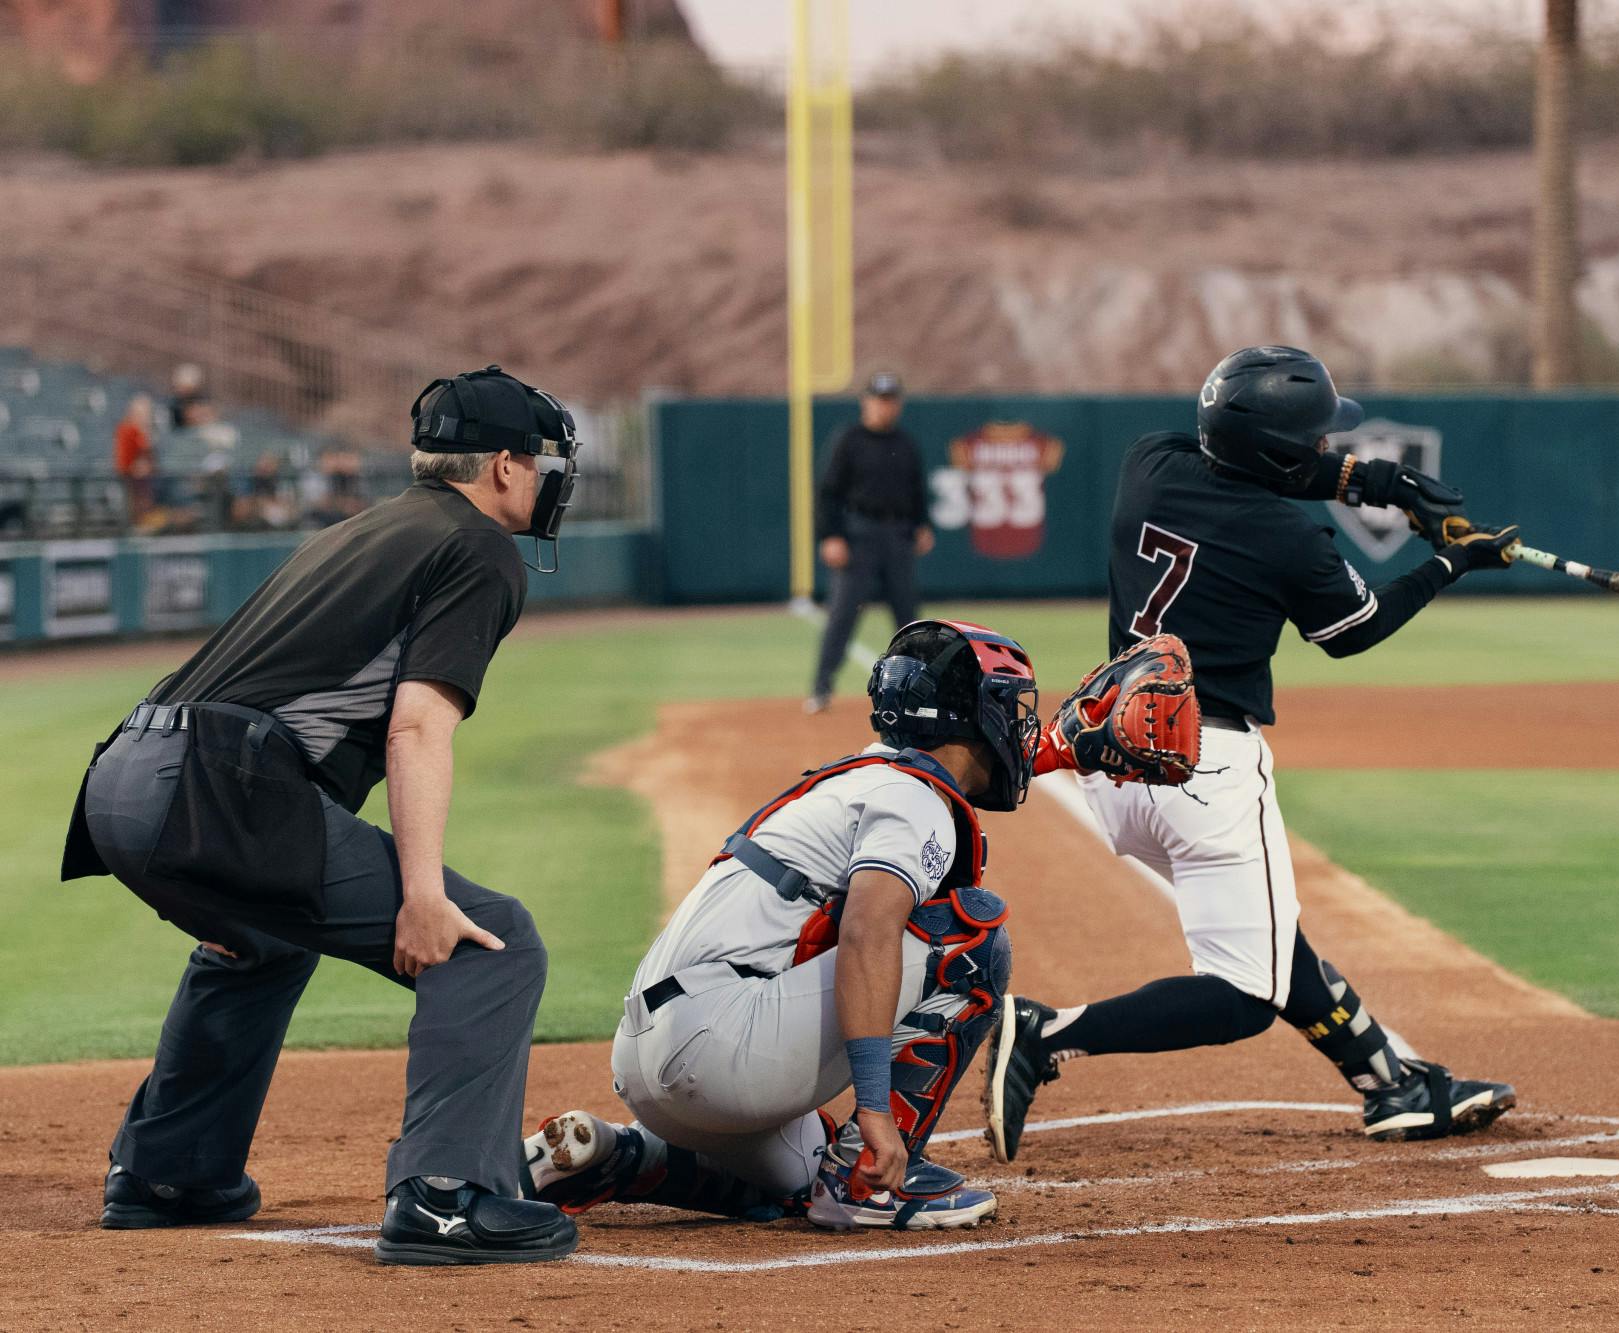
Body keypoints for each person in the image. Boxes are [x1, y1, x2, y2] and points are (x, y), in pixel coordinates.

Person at [59, 365, 583, 1265]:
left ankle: (169, 1170)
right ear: (502, 466)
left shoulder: (366, 527)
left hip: (122, 779)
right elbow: (417, 723)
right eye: (536, 464)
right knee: (492, 944)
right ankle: (446, 1195)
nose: (542, 480)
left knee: (261, 939)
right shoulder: (480, 550)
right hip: (214, 789)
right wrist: (421, 892)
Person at [984, 345, 1522, 1164]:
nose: (1319, 451)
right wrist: (1450, 561)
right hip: (1209, 771)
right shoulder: (1286, 538)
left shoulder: (1148, 464)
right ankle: (1049, 1033)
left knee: (1272, 941)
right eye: (1311, 440)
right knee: (1244, 994)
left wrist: (1366, 480)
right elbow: (1358, 628)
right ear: (1279, 451)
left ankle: (1394, 1087)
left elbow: (1266, 469)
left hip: (1115, 763)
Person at [523, 620, 1037, 1231]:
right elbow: (869, 935)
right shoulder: (916, 801)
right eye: (1009, 708)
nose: (1020, 728)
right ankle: (867, 1188)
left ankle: (624, 1155)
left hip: (651, 1064)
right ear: (972, 716)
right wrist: (872, 1110)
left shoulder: (865, 781)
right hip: (722, 1048)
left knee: (801, 1178)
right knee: (970, 940)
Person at [806, 371, 934, 714]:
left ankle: (920, 694)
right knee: (843, 615)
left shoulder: (905, 443)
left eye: (890, 400)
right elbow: (827, 493)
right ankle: (821, 687)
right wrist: (830, 535)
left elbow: (917, 490)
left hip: (898, 536)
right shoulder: (849, 440)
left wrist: (922, 524)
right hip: (859, 535)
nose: (884, 407)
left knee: (909, 621)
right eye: (879, 400)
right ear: (866, 402)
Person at [113, 394, 155, 528]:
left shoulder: (144, 430)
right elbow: (124, 460)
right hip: (130, 479)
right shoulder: (127, 430)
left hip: (145, 481)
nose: (144, 416)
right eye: (141, 412)